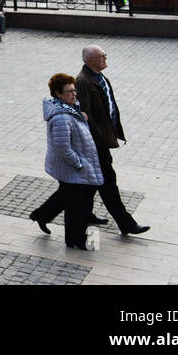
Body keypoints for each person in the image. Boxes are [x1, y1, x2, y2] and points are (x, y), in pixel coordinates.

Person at [74, 45, 149, 236]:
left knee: (90, 184)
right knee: (108, 184)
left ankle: (58, 214)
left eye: (105, 55)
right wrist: (99, 134)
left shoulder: (99, 77)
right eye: (101, 56)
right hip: (95, 143)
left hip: (102, 139)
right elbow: (84, 113)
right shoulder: (83, 81)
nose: (105, 58)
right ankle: (127, 224)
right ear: (90, 60)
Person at [34, 72, 103, 250]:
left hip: (72, 165)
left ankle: (42, 215)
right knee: (75, 204)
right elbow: (63, 147)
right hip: (70, 166)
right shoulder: (62, 117)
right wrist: (78, 163)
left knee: (67, 196)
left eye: (74, 90)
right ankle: (75, 239)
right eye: (69, 92)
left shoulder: (71, 109)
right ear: (58, 94)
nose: (74, 94)